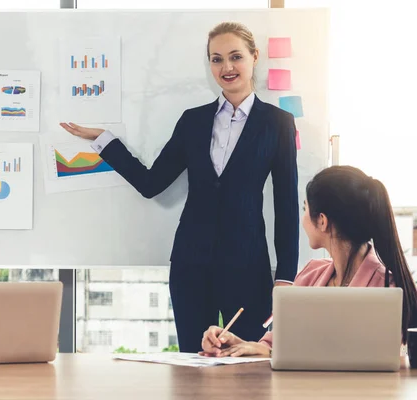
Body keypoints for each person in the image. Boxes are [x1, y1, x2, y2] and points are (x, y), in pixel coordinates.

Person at [60, 22, 299, 351]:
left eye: (235, 57)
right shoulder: (193, 121)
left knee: (249, 369)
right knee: (193, 365)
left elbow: (286, 205)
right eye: (216, 59)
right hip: (191, 266)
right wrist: (104, 141)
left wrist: (286, 276)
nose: (226, 67)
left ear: (254, 57)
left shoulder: (277, 123)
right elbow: (150, 183)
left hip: (248, 268)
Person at [201, 166, 417, 357]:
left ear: (322, 221)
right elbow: (278, 345)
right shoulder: (310, 274)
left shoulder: (387, 286)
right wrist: (240, 345)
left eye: (305, 209)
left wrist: (272, 352)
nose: (303, 219)